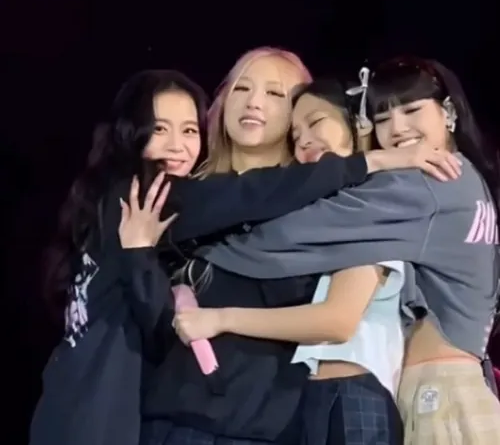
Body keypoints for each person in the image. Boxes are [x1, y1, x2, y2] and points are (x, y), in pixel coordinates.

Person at [30, 56, 443, 445]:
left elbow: (338, 317)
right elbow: (157, 328)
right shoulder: (159, 201)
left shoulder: (330, 211)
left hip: (258, 427)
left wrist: (370, 163)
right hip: (149, 422)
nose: (254, 102)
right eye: (242, 87)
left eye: (276, 93)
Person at [189, 57, 500, 444]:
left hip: (433, 396)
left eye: (412, 110)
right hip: (442, 387)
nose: (397, 128)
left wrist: (205, 246)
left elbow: (296, 235)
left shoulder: (428, 182)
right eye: (384, 118)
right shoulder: (461, 179)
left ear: (449, 112)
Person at [174, 76, 407, 445]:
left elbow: (336, 321)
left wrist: (220, 318)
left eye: (316, 123)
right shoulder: (327, 210)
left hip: (355, 392)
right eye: (295, 136)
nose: (304, 142)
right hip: (312, 398)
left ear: (358, 124)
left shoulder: (370, 208)